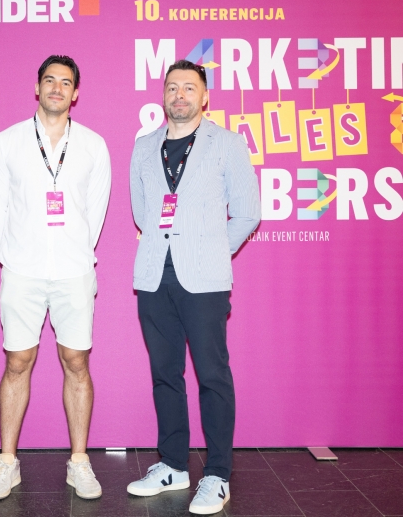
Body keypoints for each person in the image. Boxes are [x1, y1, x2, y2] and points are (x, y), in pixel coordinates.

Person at [127, 60, 260, 514]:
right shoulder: (144, 147)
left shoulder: (227, 143)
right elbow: (142, 211)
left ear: (204, 97)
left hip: (204, 279)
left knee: (212, 375)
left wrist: (211, 249)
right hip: (154, 276)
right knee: (165, 374)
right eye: (172, 87)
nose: (179, 95)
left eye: (189, 88)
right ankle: (172, 465)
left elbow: (248, 211)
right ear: (163, 95)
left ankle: (218, 474)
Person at [0, 55, 111, 501]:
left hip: (74, 271)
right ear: (37, 87)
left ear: (75, 93)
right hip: (23, 272)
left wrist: (73, 253)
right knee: (17, 363)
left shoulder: (93, 145)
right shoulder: (8, 142)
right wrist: (15, 258)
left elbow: (94, 213)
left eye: (66, 82)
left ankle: (79, 462)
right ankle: (7, 463)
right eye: (50, 80)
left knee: (76, 362)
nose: (57, 88)